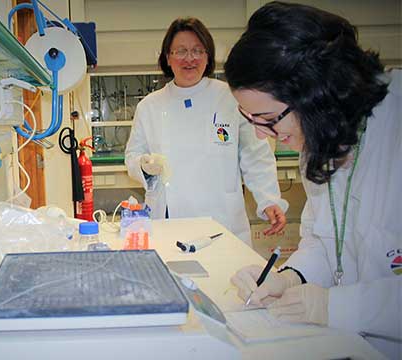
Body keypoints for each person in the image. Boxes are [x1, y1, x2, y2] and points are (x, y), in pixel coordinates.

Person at [225, 2, 401, 358]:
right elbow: (324, 240)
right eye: (251, 120)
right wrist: (290, 278)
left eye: (268, 118)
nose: (263, 137)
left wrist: (336, 307)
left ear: (315, 93)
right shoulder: (318, 135)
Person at [124, 17, 287, 245]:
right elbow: (132, 157)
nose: (190, 58)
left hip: (222, 221)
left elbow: (255, 155)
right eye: (181, 51)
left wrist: (269, 200)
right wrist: (144, 166)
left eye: (198, 51)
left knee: (225, 278)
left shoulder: (231, 98)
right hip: (171, 220)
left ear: (208, 56)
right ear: (168, 58)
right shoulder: (150, 106)